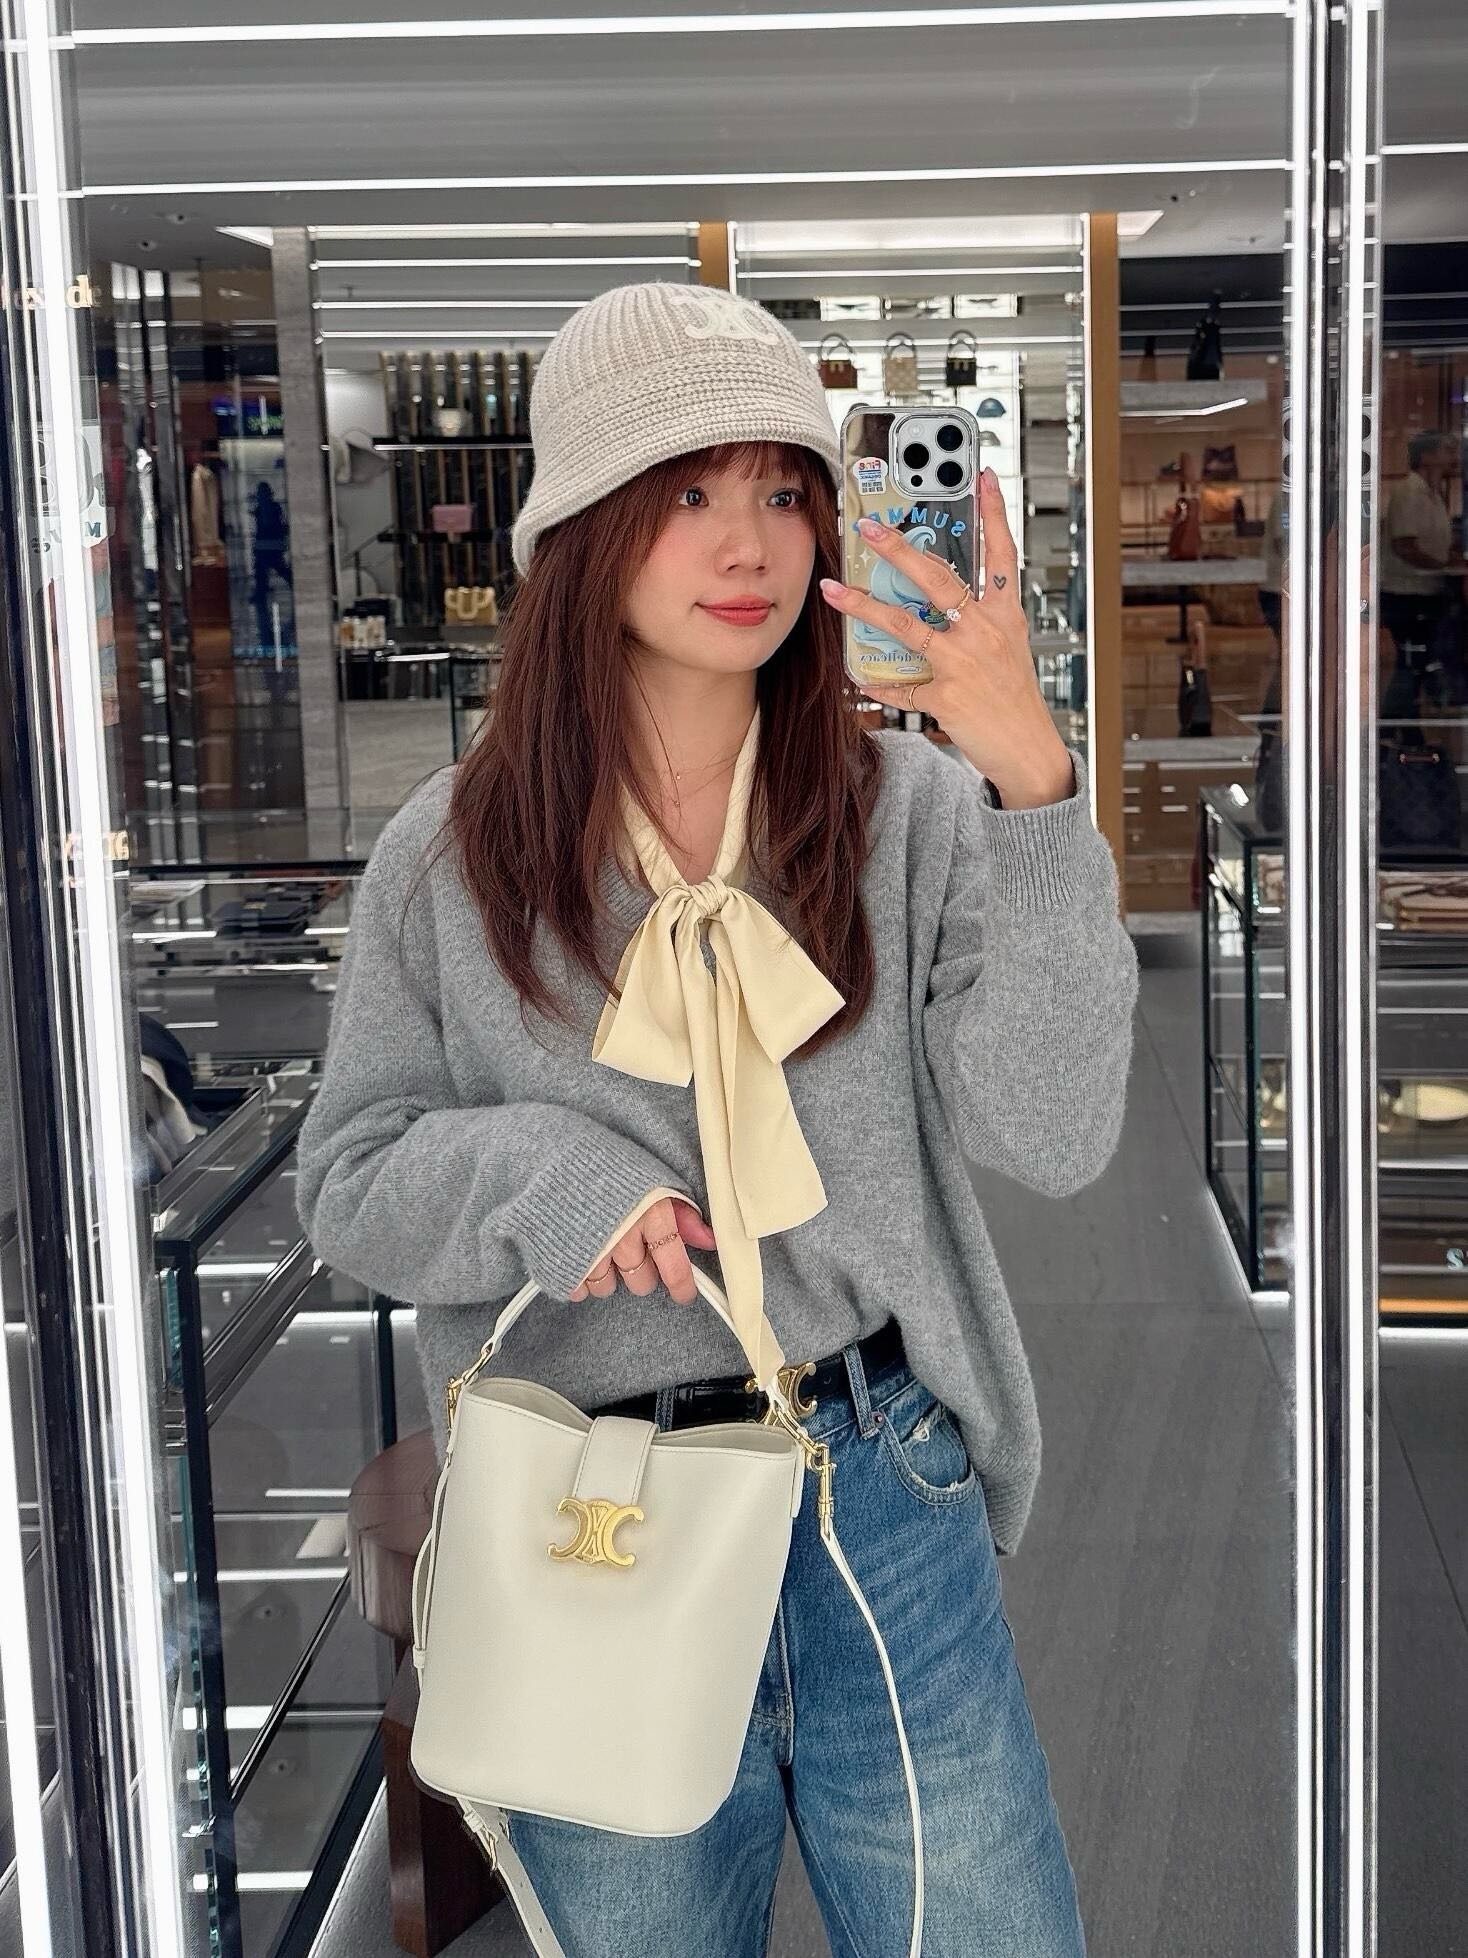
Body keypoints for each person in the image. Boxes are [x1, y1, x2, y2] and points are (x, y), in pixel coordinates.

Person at [293, 282, 1139, 1957]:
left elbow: (1054, 1134)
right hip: (595, 1518)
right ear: (584, 524)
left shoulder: (910, 813)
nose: (746, 540)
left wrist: (1036, 790)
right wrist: (550, 1173)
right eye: (687, 488)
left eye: (782, 488)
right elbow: (352, 1180)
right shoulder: (448, 857)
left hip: (878, 1489)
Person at [1379, 430, 1465, 723]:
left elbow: (1439, 545)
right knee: (1412, 662)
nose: (1455, 458)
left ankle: (1405, 728)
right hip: (1406, 594)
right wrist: (1443, 567)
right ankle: (1394, 725)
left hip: (1427, 591)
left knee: (1419, 662)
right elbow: (1404, 545)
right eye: (1447, 451)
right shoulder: (1408, 492)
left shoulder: (1435, 495)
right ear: (1427, 457)